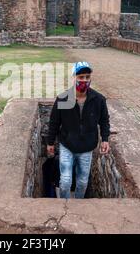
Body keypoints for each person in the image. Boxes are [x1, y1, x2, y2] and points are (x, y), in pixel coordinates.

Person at [46, 61, 110, 199]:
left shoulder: (98, 100)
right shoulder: (63, 99)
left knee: (82, 182)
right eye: (81, 77)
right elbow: (54, 122)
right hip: (67, 146)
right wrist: (50, 143)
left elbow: (104, 121)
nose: (84, 80)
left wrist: (105, 139)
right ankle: (64, 204)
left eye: (87, 77)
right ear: (73, 77)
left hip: (86, 147)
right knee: (65, 181)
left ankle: (79, 206)